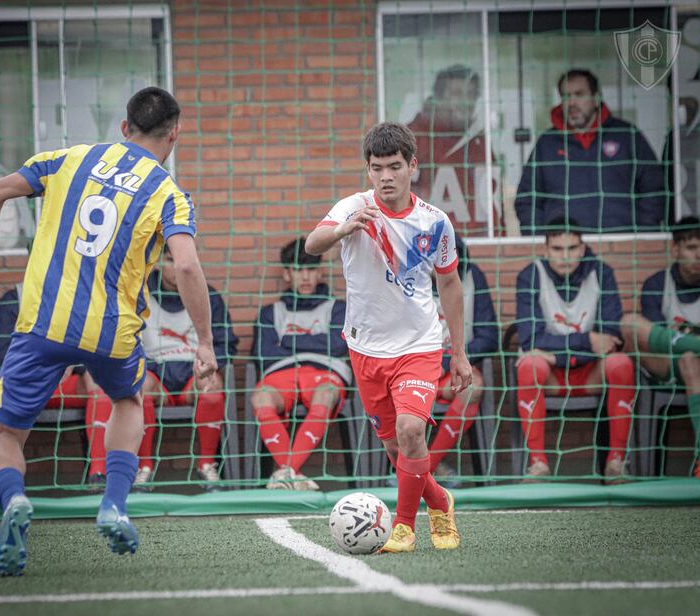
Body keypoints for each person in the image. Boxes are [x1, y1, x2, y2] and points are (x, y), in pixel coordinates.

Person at [0, 86, 218, 576]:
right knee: (127, 402)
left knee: (4, 432)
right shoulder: (169, 194)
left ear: (124, 128)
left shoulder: (69, 158)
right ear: (174, 134)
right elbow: (185, 266)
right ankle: (114, 504)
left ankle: (13, 502)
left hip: (41, 325)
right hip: (112, 333)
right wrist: (204, 342)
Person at [305, 121, 473, 553]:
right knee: (400, 452)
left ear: (413, 166)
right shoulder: (353, 207)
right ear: (368, 169)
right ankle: (440, 501)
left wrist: (460, 353)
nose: (385, 176)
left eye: (395, 166)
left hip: (419, 345)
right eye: (377, 167)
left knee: (412, 430)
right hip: (365, 348)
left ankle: (404, 528)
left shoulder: (435, 222)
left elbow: (450, 285)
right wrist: (343, 230)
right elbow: (311, 243)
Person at [86, 246, 238, 492]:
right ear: (158, 262)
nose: (177, 266)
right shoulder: (140, 294)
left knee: (213, 387)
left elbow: (226, 341)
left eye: (183, 259)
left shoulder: (208, 296)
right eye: (170, 260)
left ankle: (207, 465)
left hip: (192, 373)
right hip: (155, 373)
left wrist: (211, 364)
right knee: (138, 386)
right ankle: (143, 468)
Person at [515, 216, 634, 482]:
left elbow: (611, 338)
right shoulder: (530, 275)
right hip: (552, 376)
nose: (565, 256)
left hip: (592, 372)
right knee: (529, 364)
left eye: (572, 248)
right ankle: (538, 465)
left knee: (621, 362)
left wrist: (558, 352)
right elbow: (529, 340)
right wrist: (588, 341)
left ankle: (616, 463)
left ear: (582, 248)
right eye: (557, 249)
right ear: (545, 250)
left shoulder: (602, 273)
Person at [250, 237, 350, 491]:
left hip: (324, 372)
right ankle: (293, 473)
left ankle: (286, 472)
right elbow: (264, 354)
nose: (305, 277)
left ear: (319, 273)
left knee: (325, 395)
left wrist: (287, 340)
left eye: (310, 269)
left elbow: (339, 345)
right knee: (261, 398)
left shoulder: (337, 308)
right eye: (297, 270)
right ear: (286, 274)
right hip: (281, 373)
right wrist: (316, 340)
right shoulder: (270, 312)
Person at [514, 68, 665, 234]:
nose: (571, 103)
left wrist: (643, 235)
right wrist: (542, 243)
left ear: (596, 98)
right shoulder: (547, 143)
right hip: (565, 254)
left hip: (623, 248)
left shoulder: (626, 135)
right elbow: (527, 199)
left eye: (579, 94)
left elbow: (654, 189)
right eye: (565, 96)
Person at [0, 282, 105, 491]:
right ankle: (13, 492)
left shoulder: (79, 294)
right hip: (27, 383)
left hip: (64, 385)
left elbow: (92, 348)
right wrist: (51, 362)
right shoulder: (14, 297)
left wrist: (72, 364)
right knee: (1, 431)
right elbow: (0, 355)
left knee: (99, 384)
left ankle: (99, 474)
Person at [621, 216, 700, 477]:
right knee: (630, 323)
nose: (698, 255)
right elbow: (652, 339)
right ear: (675, 249)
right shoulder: (657, 283)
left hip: (693, 368)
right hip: (666, 366)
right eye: (691, 248)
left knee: (691, 360)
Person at [428, 235, 499, 482]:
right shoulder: (405, 279)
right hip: (415, 369)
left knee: (473, 388)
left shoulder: (472, 277)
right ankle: (410, 465)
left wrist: (457, 356)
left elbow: (490, 336)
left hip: (455, 370)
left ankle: (427, 465)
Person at [407, 65, 500, 236]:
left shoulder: (476, 140)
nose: (465, 102)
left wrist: (498, 238)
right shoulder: (414, 137)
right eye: (457, 94)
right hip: (430, 245)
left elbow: (488, 195)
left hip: (475, 245)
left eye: (470, 95)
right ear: (439, 97)